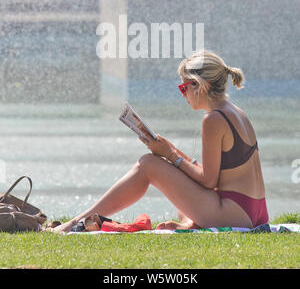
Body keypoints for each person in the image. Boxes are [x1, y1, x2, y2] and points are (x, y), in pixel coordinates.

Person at [48, 50, 269, 233]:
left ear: (200, 85)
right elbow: (217, 176)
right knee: (160, 164)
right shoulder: (236, 112)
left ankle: (76, 222)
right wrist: (170, 150)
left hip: (234, 214)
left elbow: (209, 181)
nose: (183, 94)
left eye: (184, 88)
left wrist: (170, 156)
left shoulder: (213, 119)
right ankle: (189, 224)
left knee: (148, 164)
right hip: (253, 211)